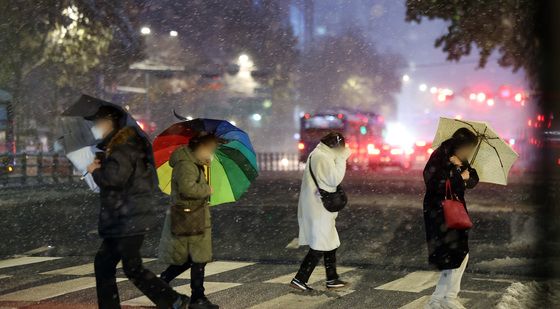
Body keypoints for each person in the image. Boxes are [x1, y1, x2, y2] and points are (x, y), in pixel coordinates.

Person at [86, 106, 188, 309]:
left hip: (126, 217)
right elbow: (127, 176)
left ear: (111, 122)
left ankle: (173, 301)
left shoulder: (122, 147)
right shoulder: (126, 146)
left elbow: (115, 179)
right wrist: (104, 162)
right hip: (129, 216)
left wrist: (96, 171)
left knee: (122, 266)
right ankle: (172, 301)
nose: (96, 127)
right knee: (114, 265)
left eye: (99, 122)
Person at [158, 133, 220, 309]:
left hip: (194, 215)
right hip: (189, 216)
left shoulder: (193, 164)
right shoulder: (186, 165)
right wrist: (207, 189)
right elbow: (187, 189)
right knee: (195, 258)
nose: (211, 152)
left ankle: (167, 285)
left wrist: (204, 167)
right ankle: (196, 297)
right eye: (209, 148)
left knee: (192, 258)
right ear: (200, 147)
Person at [423, 128, 480, 309]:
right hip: (440, 212)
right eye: (468, 148)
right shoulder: (438, 156)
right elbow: (433, 184)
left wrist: (462, 169)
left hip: (454, 211)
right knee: (456, 253)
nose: (468, 153)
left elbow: (473, 179)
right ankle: (449, 298)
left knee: (455, 254)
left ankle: (438, 299)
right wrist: (458, 176)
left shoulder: (458, 157)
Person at [290, 132, 351, 291]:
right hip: (318, 207)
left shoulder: (320, 154)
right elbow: (334, 179)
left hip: (318, 205)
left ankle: (332, 278)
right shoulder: (322, 157)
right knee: (320, 244)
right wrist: (342, 159)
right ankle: (300, 278)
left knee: (329, 241)